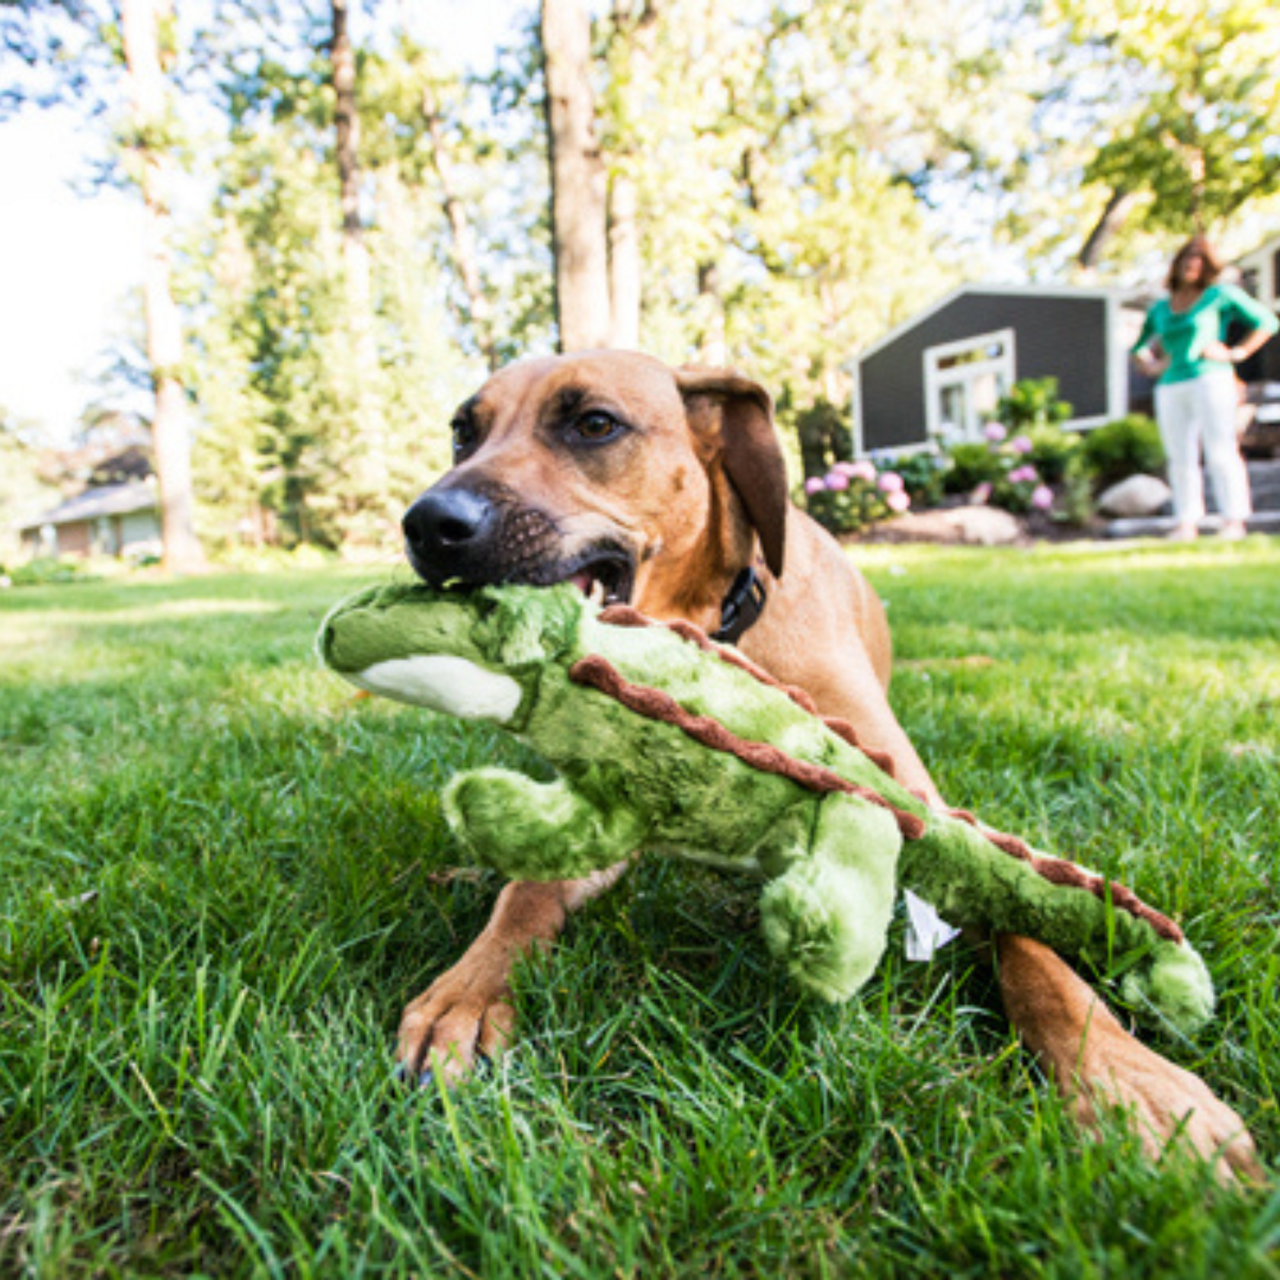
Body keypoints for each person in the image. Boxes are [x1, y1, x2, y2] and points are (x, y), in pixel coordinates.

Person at [1131, 235, 1279, 540]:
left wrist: (1235, 353)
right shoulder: (1161, 308)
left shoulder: (1218, 296)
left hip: (1211, 378)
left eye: (1198, 262)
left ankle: (1233, 520)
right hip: (1171, 384)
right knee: (1180, 455)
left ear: (1207, 267)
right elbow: (1139, 346)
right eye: (1186, 260)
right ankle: (1186, 522)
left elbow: (1267, 321)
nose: (1191, 267)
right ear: (1178, 265)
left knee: (1221, 448)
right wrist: (1149, 363)